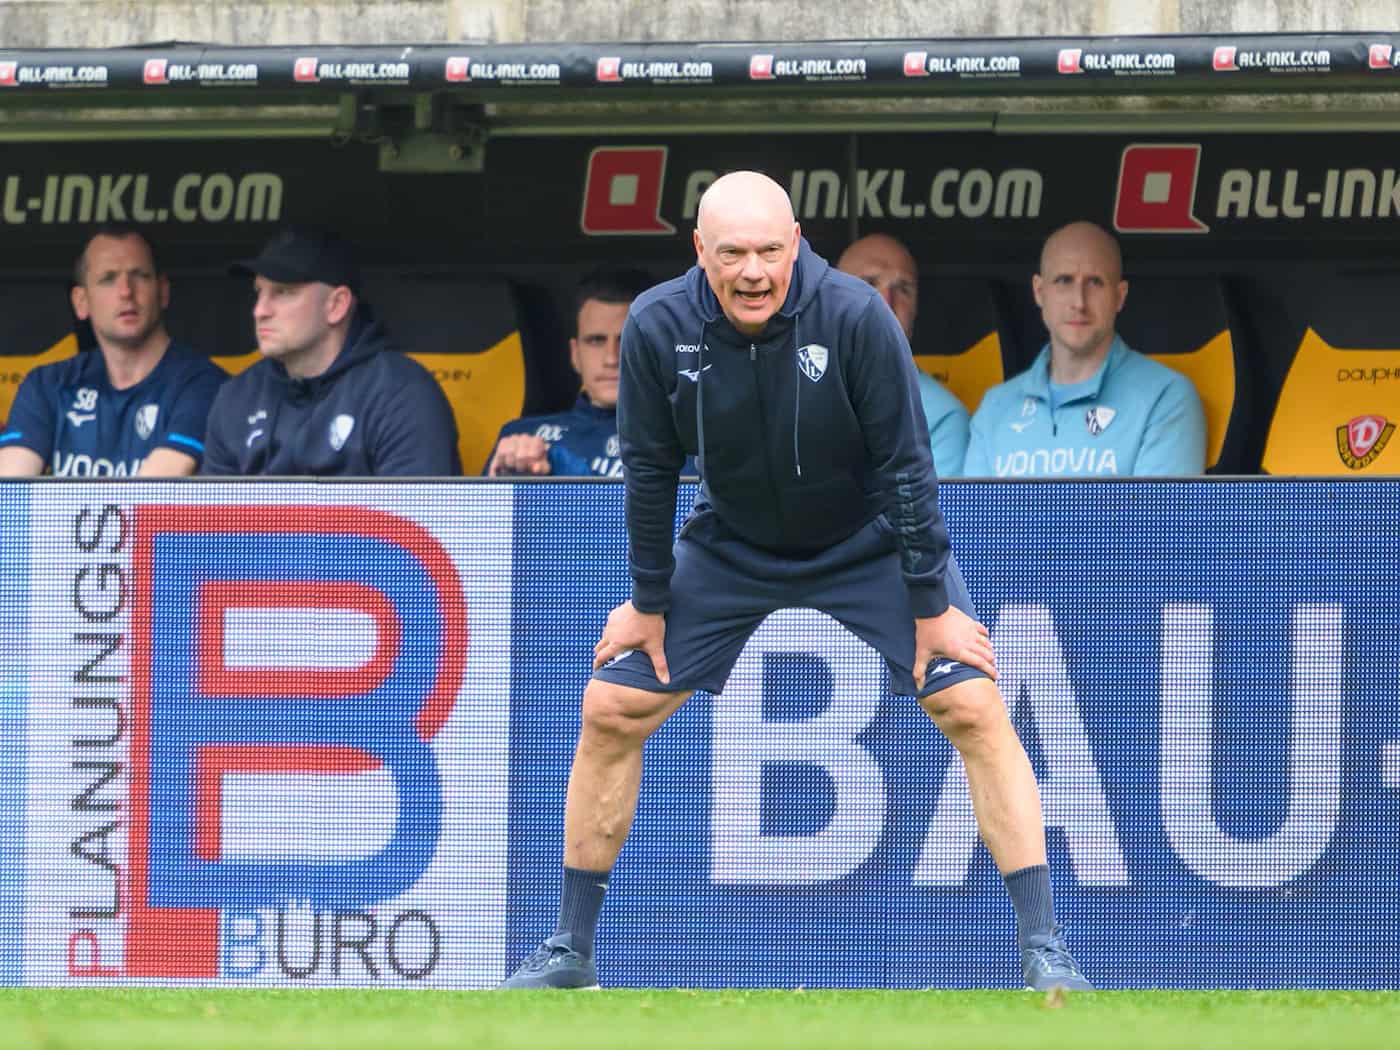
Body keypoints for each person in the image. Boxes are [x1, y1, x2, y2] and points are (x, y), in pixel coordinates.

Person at [503, 171, 1091, 992]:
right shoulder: (657, 325)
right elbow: (649, 470)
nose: (753, 272)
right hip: (732, 543)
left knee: (974, 702)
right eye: (733, 253)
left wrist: (930, 606)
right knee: (609, 705)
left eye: (771, 252)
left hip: (868, 540)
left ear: (798, 244)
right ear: (699, 251)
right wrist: (647, 599)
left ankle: (1046, 952)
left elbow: (908, 468)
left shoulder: (855, 316)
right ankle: (569, 950)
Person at [202, 227, 460, 476]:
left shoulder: (400, 394)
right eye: (259, 292)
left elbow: (411, 518)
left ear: (336, 305)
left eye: (283, 292)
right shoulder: (237, 397)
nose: (260, 311)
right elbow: (213, 518)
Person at [963, 221, 1206, 477]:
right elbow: (968, 518)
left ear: (1120, 296)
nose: (1079, 302)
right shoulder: (995, 407)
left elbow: (1156, 517)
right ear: (1039, 291)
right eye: (1064, 280)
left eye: (1095, 283)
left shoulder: (1165, 398)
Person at [0, 225, 225, 477]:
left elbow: (151, 496)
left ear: (162, 291)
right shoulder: (47, 385)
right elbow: (10, 491)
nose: (126, 292)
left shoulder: (205, 385)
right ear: (81, 302)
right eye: (108, 278)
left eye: (139, 275)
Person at [485, 267, 652, 477]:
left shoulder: (690, 445)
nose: (612, 358)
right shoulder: (518, 439)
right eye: (596, 341)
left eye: (627, 341)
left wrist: (565, 474)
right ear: (575, 354)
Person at [836, 233, 969, 476]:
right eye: (868, 284)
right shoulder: (795, 395)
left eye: (903, 289)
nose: (886, 303)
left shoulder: (943, 415)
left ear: (916, 307)